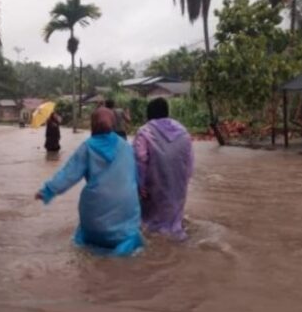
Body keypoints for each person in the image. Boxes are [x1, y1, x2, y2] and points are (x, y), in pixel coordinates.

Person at [35, 107, 144, 256]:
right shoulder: (126, 147)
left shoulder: (87, 147)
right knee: (132, 236)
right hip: (125, 219)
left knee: (83, 237)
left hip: (94, 221)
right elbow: (136, 177)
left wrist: (47, 191)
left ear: (92, 125)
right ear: (112, 124)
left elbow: (68, 174)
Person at [134, 98, 193, 241]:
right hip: (178, 184)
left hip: (154, 184)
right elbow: (189, 161)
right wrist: (184, 180)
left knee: (150, 224)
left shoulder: (144, 131)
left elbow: (140, 159)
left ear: (149, 113)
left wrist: (139, 184)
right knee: (174, 219)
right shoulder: (183, 131)